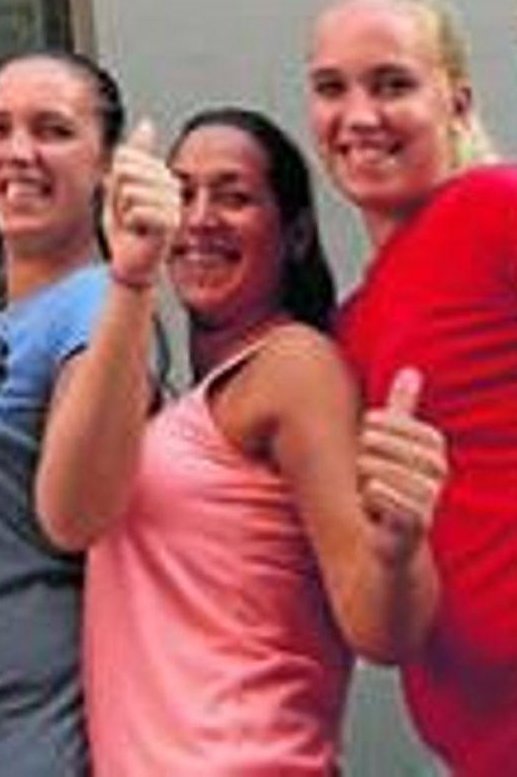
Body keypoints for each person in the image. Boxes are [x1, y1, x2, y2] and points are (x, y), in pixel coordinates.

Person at [37, 108, 446, 774]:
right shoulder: (180, 407)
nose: (199, 219)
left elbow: (381, 627)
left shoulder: (295, 366)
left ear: (295, 233)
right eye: (183, 192)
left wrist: (398, 552)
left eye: (233, 197)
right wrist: (132, 273)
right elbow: (71, 515)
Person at [307, 0, 517, 776]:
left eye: (392, 84)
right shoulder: (345, 332)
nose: (359, 115)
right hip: (496, 745)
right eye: (331, 88)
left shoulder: (497, 207)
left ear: (456, 100)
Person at [0, 45, 124, 774]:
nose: (18, 153)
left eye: (52, 130)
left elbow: (79, 511)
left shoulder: (103, 304)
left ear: (106, 162)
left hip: (50, 715)